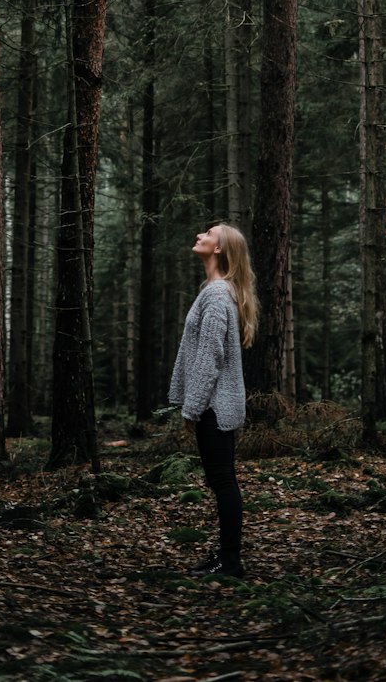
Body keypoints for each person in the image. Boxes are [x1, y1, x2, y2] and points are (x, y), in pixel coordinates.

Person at [169, 222, 258, 578]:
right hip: (213, 404)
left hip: (213, 406)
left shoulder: (218, 294)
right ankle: (227, 556)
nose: (199, 235)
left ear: (219, 249)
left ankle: (231, 561)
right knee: (221, 481)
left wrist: (191, 407)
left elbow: (210, 356)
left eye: (207, 233)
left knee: (223, 481)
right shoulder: (215, 290)